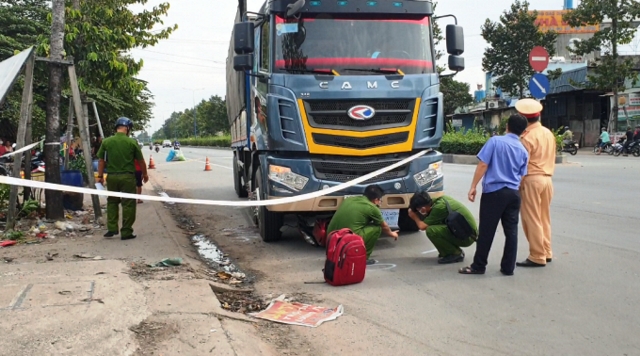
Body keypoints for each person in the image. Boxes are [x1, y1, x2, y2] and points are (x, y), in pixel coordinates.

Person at [458, 114, 529, 275]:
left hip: (494, 193)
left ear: (507, 127)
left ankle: (479, 265)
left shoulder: (495, 141)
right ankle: (508, 267)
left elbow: (483, 164)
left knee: (487, 230)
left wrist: (473, 186)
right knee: (511, 231)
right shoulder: (523, 150)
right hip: (513, 193)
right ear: (523, 132)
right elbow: (522, 176)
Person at [515, 99, 556, 268]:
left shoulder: (526, 137)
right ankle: (546, 251)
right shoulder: (548, 133)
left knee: (531, 219)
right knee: (543, 217)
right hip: (547, 179)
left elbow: (522, 165)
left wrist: (518, 185)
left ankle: (537, 255)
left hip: (532, 179)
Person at [96, 117, 148, 240]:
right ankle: (126, 232)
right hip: (128, 177)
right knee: (129, 204)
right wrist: (145, 175)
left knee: (112, 202)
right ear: (127, 128)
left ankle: (112, 228)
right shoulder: (132, 142)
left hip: (112, 177)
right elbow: (141, 161)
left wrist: (100, 176)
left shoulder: (107, 142)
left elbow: (101, 160)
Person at [327, 185, 399, 265]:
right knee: (377, 228)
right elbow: (384, 226)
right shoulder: (372, 208)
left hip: (331, 239)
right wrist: (392, 234)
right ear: (376, 200)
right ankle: (363, 259)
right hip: (345, 241)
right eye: (380, 200)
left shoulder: (349, 200)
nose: (380, 202)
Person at [407, 191, 478, 264]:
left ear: (423, 208)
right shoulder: (439, 200)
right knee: (434, 227)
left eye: (418, 209)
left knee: (431, 231)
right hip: (466, 232)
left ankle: (455, 253)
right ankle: (447, 251)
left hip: (467, 237)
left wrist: (415, 217)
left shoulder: (439, 207)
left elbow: (422, 226)